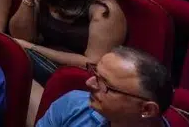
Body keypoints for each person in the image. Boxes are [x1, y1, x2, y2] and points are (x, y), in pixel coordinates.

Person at [11, 0, 128, 121]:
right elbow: (20, 35)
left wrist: (31, 48)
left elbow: (92, 64)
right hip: (42, 63)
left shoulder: (103, 9)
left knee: (13, 60)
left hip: (79, 79)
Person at [35, 46, 174, 127]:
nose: (89, 83)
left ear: (147, 109)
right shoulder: (73, 104)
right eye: (95, 74)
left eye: (106, 85)